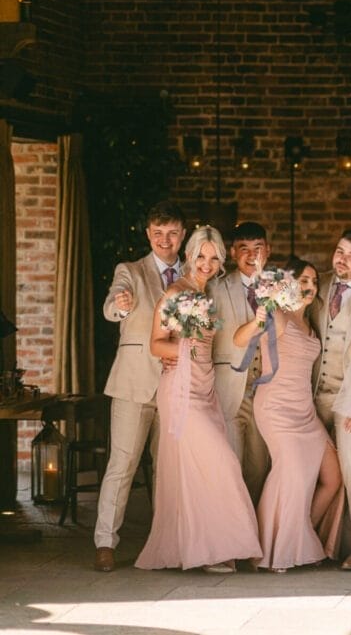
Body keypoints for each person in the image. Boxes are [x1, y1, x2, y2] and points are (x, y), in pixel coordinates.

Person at [135, 225, 261, 572]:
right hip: (181, 389)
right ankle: (214, 549)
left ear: (221, 261)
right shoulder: (176, 292)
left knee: (198, 470)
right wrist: (184, 347)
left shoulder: (207, 294)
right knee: (223, 462)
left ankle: (209, 548)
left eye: (214, 258)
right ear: (190, 256)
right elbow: (156, 344)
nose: (207, 263)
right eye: (201, 256)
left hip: (207, 387)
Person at [234, 256, 345, 573]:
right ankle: (272, 550)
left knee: (333, 478)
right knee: (290, 475)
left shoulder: (311, 322)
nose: (309, 286)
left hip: (305, 412)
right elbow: (238, 339)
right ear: (288, 285)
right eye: (302, 280)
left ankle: (299, 537)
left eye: (313, 281)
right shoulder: (277, 316)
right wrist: (258, 319)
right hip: (277, 409)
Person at [93, 201, 185, 572]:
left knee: (169, 467)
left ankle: (166, 541)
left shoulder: (194, 273)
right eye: (158, 233)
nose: (165, 240)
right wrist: (120, 305)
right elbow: (111, 306)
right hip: (134, 384)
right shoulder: (129, 271)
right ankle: (105, 542)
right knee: (123, 463)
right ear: (148, 234)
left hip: (179, 386)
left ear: (182, 234)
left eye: (172, 233)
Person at [311, 228, 351, 571]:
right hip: (310, 395)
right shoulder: (317, 285)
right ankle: (312, 542)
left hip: (348, 398)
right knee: (310, 471)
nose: (343, 260)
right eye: (340, 251)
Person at [209, 221, 272, 504]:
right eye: (243, 248)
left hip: (266, 393)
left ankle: (252, 525)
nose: (251, 255)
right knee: (231, 465)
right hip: (229, 390)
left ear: (268, 250)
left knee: (259, 467)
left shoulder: (280, 287)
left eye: (257, 248)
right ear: (233, 253)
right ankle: (232, 526)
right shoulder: (215, 288)